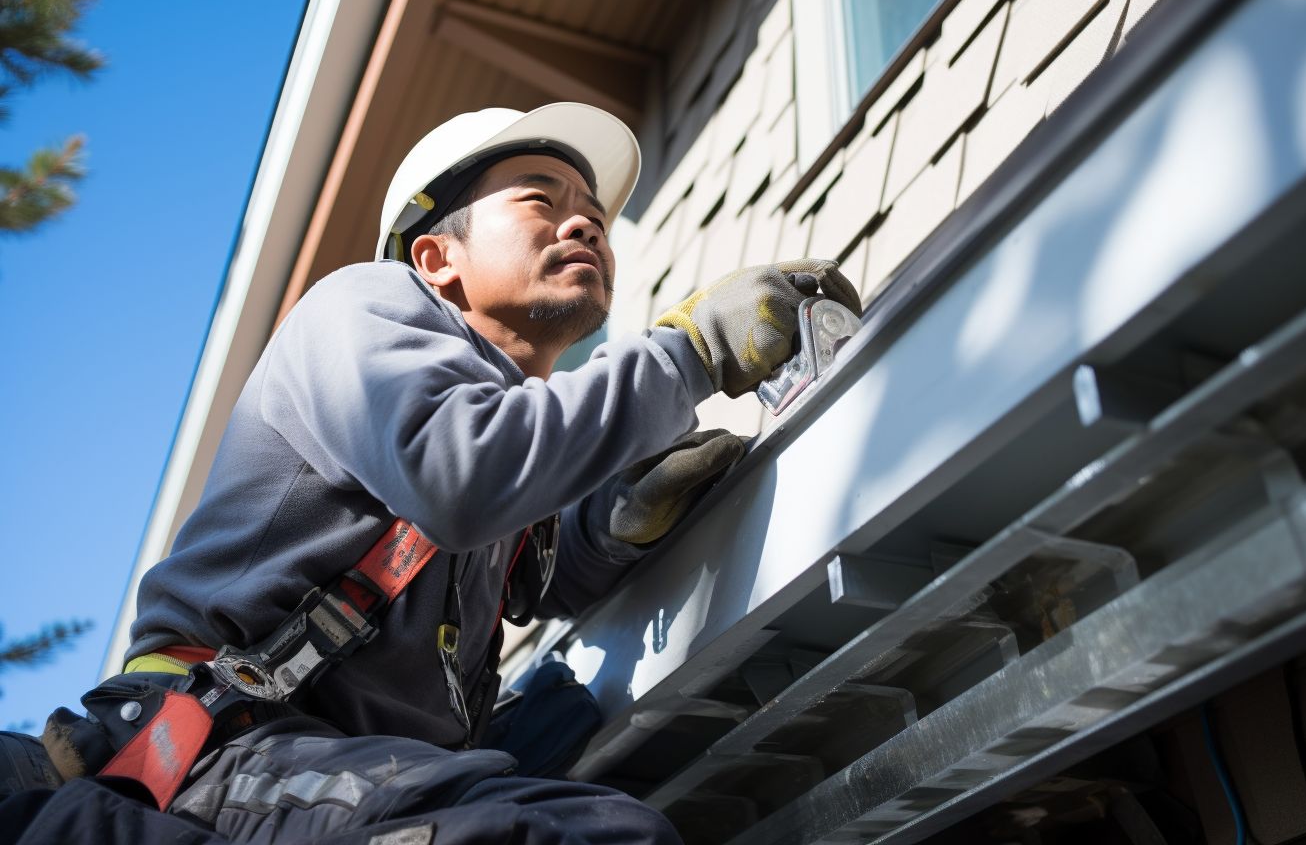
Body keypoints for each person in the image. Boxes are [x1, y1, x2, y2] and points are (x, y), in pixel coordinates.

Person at [1, 102, 861, 844]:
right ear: (435, 259)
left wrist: (604, 528)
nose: (584, 222)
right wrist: (692, 354)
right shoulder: (362, 309)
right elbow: (462, 480)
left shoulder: (507, 419)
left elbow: (509, 568)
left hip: (335, 761)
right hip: (220, 745)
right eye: (541, 199)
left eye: (592, 212)